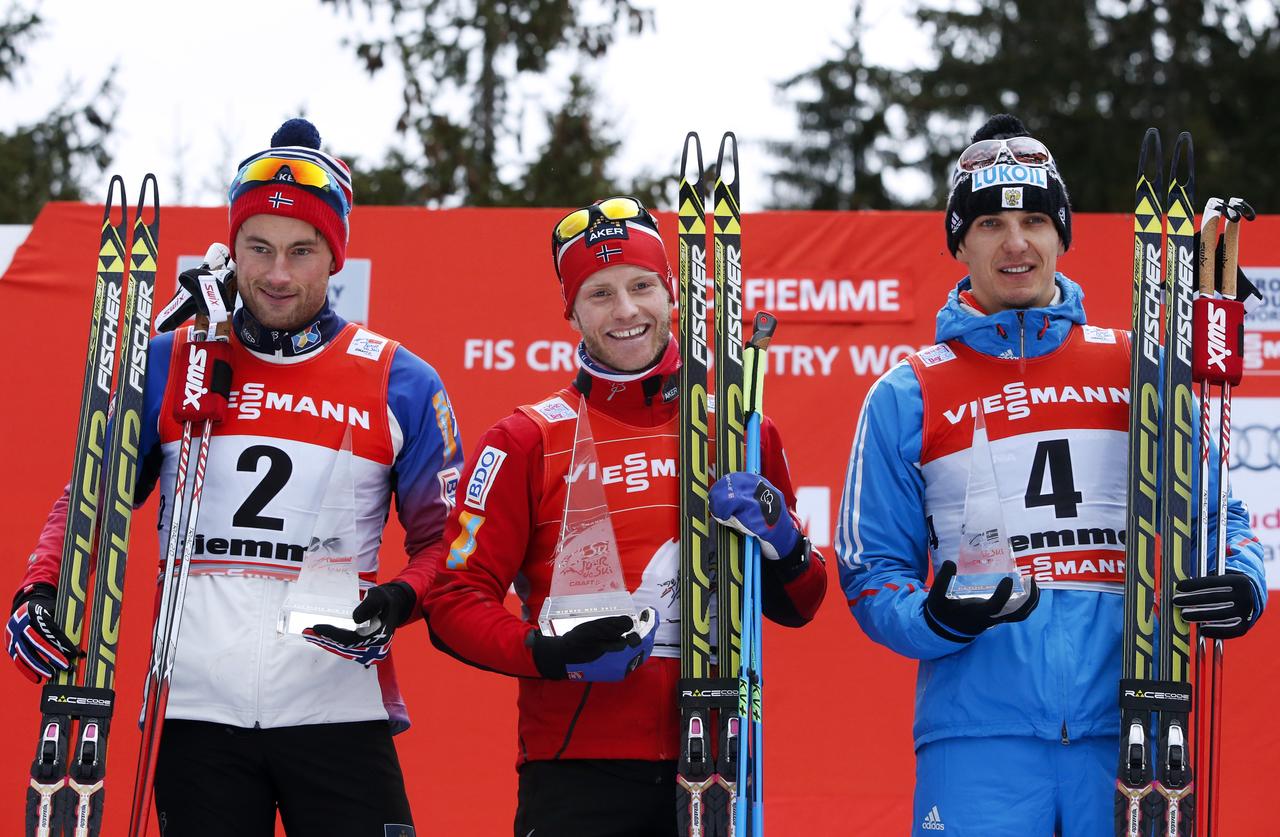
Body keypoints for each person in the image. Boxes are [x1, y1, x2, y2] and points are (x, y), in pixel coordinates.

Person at [6, 118, 463, 836]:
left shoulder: (399, 379)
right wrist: (40, 586)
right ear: (234, 246)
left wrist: (403, 597)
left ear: (335, 257)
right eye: (259, 247)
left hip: (336, 707)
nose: (278, 274)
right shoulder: (171, 358)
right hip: (195, 709)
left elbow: (452, 543)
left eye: (301, 251)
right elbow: (93, 494)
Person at [834, 113, 1267, 836]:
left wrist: (1240, 580)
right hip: (977, 741)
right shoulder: (907, 392)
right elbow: (872, 571)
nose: (1015, 242)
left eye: (1035, 219)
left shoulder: (1139, 370)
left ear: (1062, 234)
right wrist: (933, 617)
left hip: (1130, 724)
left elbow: (1218, 519)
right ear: (958, 241)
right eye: (990, 223)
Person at [421, 195, 828, 837]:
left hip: (718, 757)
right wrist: (548, 653)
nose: (627, 311)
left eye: (641, 286)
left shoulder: (740, 428)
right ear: (572, 312)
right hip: (577, 767)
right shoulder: (526, 438)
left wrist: (784, 540)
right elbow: (453, 601)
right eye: (600, 293)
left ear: (673, 295)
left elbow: (799, 603)